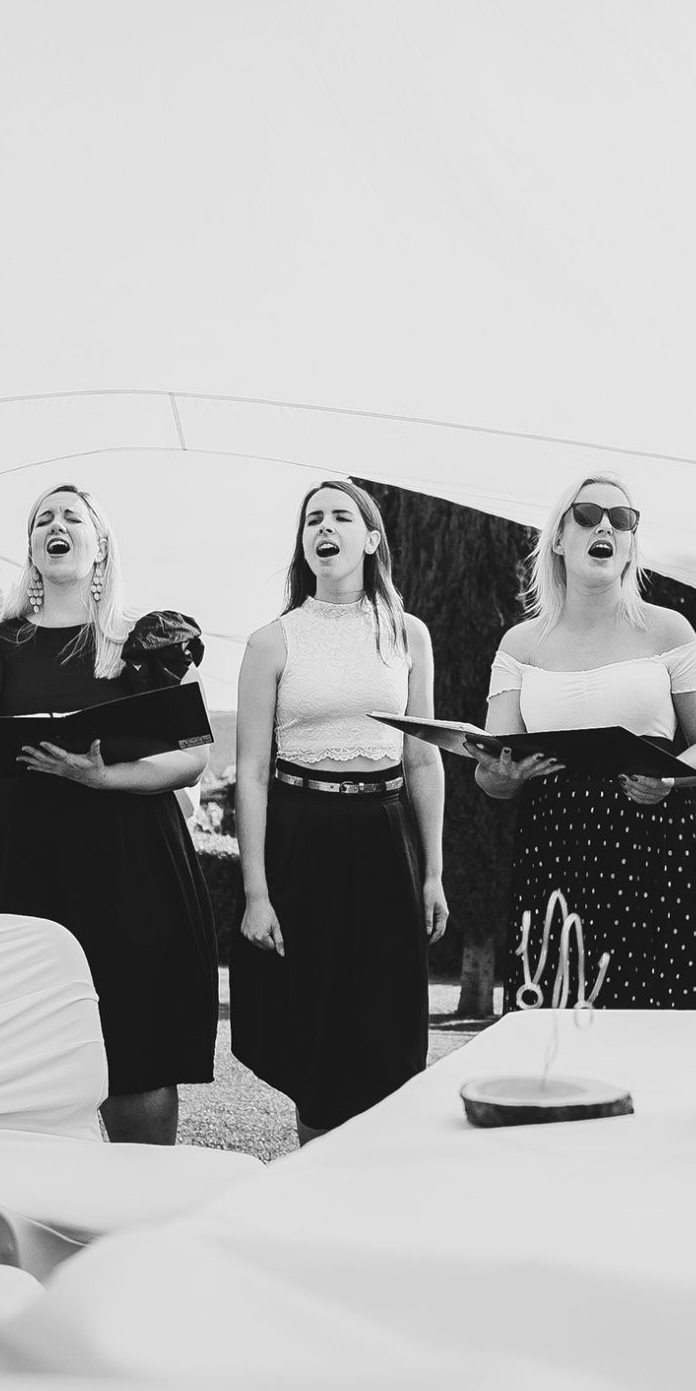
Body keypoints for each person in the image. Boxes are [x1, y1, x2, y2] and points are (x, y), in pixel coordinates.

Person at [0, 485, 217, 1146]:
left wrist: (103, 775)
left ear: (101, 545)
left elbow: (193, 758)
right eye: (42, 519)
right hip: (13, 867)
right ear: (31, 547)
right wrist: (23, 743)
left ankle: (138, 1199)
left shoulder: (148, 641)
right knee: (12, 1054)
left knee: (135, 1050)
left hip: (129, 869)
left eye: (71, 516)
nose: (54, 525)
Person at [232, 480, 447, 1141]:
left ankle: (377, 1181)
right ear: (304, 543)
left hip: (387, 835)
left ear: (371, 538)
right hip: (303, 837)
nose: (324, 527)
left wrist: (433, 873)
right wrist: (256, 893)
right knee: (315, 1029)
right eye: (313, 519)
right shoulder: (271, 642)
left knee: (388, 1027)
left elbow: (423, 760)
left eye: (341, 517)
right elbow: (251, 773)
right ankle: (312, 1171)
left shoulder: (408, 634)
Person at [477, 473, 696, 1008]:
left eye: (622, 519)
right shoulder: (519, 644)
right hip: (554, 848)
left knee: (660, 1020)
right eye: (588, 515)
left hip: (654, 846)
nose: (606, 528)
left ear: (632, 541)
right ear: (558, 538)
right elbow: (492, 770)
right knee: (559, 1011)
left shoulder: (670, 629)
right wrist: (503, 775)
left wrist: (670, 778)